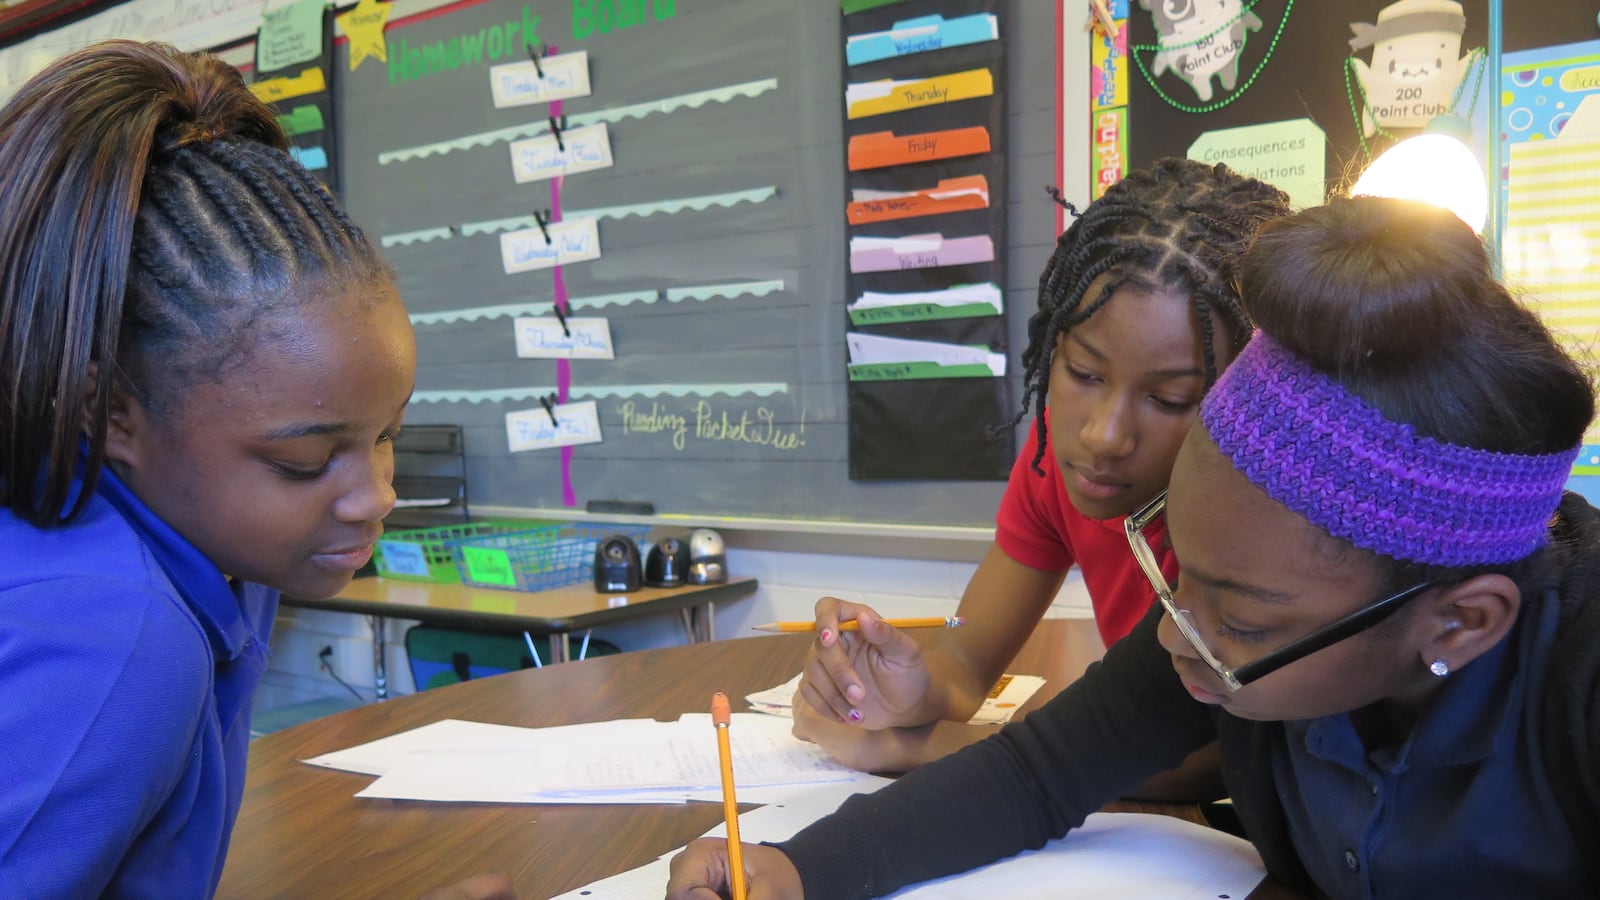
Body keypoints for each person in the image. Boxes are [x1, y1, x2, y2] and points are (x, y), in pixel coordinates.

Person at [666, 195, 1600, 898]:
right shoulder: (1221, 629)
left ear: (1462, 623)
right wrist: (792, 871)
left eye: (1234, 615)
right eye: (1174, 575)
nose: (1173, 635)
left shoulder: (1576, 688)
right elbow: (1034, 775)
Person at [0, 41, 511, 899]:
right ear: (109, 413)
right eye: (303, 461)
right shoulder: (121, 638)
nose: (376, 497)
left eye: (388, 434)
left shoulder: (223, 553)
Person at [795, 159, 1291, 778]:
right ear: (1051, 349)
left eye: (1169, 400)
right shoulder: (1061, 460)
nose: (1103, 435)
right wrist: (909, 686)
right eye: (1084, 374)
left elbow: (1214, 755)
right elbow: (964, 656)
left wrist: (916, 748)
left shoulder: (1269, 517)